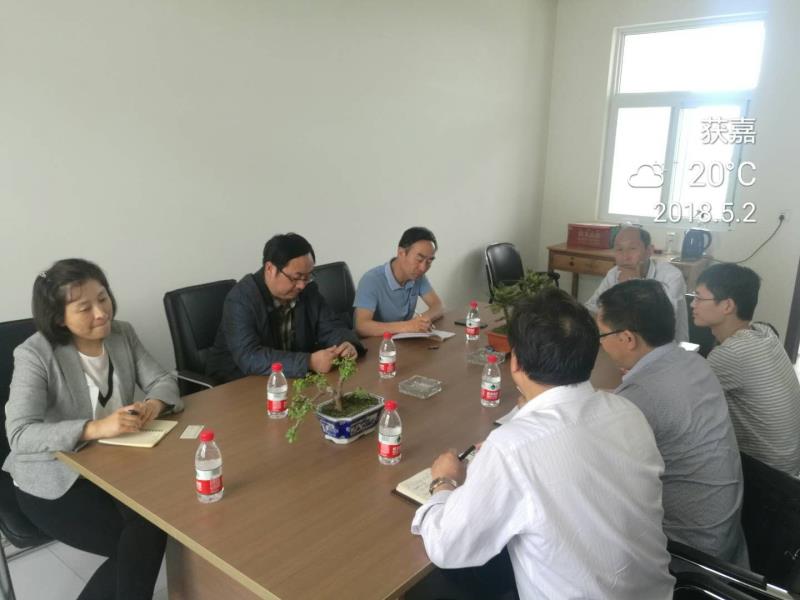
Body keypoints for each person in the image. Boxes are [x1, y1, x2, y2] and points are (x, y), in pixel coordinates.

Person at [411, 288, 675, 599]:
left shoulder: (512, 449)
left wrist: (444, 482)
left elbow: (447, 547)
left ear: (515, 362)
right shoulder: (627, 412)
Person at [4, 259, 182, 600]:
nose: (101, 313)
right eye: (85, 308)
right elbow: (20, 434)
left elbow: (162, 379)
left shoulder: (122, 333)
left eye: (103, 298)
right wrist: (95, 428)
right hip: (51, 476)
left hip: (113, 466)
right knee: (141, 539)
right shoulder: (34, 354)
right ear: (59, 317)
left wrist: (154, 404)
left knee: (149, 529)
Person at [597, 279, 748, 566]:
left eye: (602, 335)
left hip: (688, 555)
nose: (601, 344)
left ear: (627, 338)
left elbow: (596, 468)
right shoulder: (693, 361)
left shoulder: (642, 395)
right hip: (725, 537)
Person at [206, 233, 364, 381]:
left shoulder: (308, 290)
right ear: (270, 269)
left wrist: (346, 343)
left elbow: (331, 326)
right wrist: (309, 362)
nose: (302, 285)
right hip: (237, 383)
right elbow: (250, 357)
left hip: (287, 377)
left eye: (307, 276)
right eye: (296, 278)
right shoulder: (241, 299)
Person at [692, 263, 800, 476]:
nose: (692, 304)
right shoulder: (764, 332)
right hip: (791, 463)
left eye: (699, 298)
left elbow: (686, 404)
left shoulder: (730, 354)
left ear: (727, 306)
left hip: (770, 475)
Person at [585, 226, 688, 342]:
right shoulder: (614, 274)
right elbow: (592, 309)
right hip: (621, 343)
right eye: (619, 249)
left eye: (632, 248)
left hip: (663, 345)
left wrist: (633, 288)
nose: (625, 256)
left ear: (649, 251)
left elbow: (657, 326)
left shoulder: (671, 277)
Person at [353, 227, 444, 336]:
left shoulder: (417, 276)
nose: (423, 268)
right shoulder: (371, 280)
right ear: (401, 253)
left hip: (402, 340)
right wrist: (408, 326)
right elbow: (362, 326)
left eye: (429, 261)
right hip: (377, 343)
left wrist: (421, 322)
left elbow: (438, 306)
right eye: (419, 260)